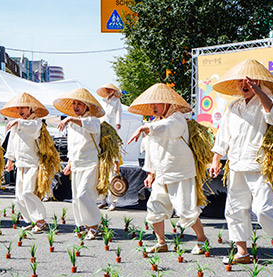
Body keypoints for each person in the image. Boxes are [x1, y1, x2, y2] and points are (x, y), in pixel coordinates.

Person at [209, 59, 273, 264]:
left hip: (259, 164)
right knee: (234, 209)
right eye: (241, 82)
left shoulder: (269, 100)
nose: (244, 85)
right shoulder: (233, 106)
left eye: (250, 82)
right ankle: (242, 252)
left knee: (263, 209)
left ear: (259, 83)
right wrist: (216, 158)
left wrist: (258, 90)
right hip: (236, 164)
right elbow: (223, 135)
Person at [127, 83, 208, 254]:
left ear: (167, 103)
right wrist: (150, 173)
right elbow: (151, 150)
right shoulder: (155, 123)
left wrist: (145, 127)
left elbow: (168, 128)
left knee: (185, 209)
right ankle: (161, 242)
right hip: (161, 174)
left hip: (180, 172)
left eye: (156, 103)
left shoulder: (177, 119)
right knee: (155, 206)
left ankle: (202, 239)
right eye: (151, 104)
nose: (153, 107)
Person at [54, 88, 103, 240]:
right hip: (76, 164)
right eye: (74, 103)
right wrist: (69, 163)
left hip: (90, 163)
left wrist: (69, 119)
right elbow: (73, 146)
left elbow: (91, 126)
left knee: (83, 195)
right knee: (76, 198)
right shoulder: (72, 123)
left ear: (87, 106)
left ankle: (94, 225)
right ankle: (83, 225)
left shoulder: (93, 120)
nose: (75, 106)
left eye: (79, 104)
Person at [0, 92, 50, 233]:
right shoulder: (17, 124)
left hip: (33, 163)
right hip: (20, 163)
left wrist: (18, 122)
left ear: (30, 109)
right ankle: (32, 220)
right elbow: (12, 143)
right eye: (18, 108)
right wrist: (10, 159)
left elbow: (34, 131)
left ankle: (40, 221)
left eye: (23, 107)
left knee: (28, 192)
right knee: (19, 197)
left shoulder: (37, 122)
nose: (20, 111)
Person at [97, 83, 123, 211]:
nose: (108, 91)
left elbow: (119, 112)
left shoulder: (116, 101)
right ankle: (102, 200)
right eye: (106, 89)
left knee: (112, 175)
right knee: (102, 175)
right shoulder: (102, 101)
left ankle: (113, 201)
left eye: (109, 89)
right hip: (102, 127)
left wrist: (118, 123)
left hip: (112, 128)